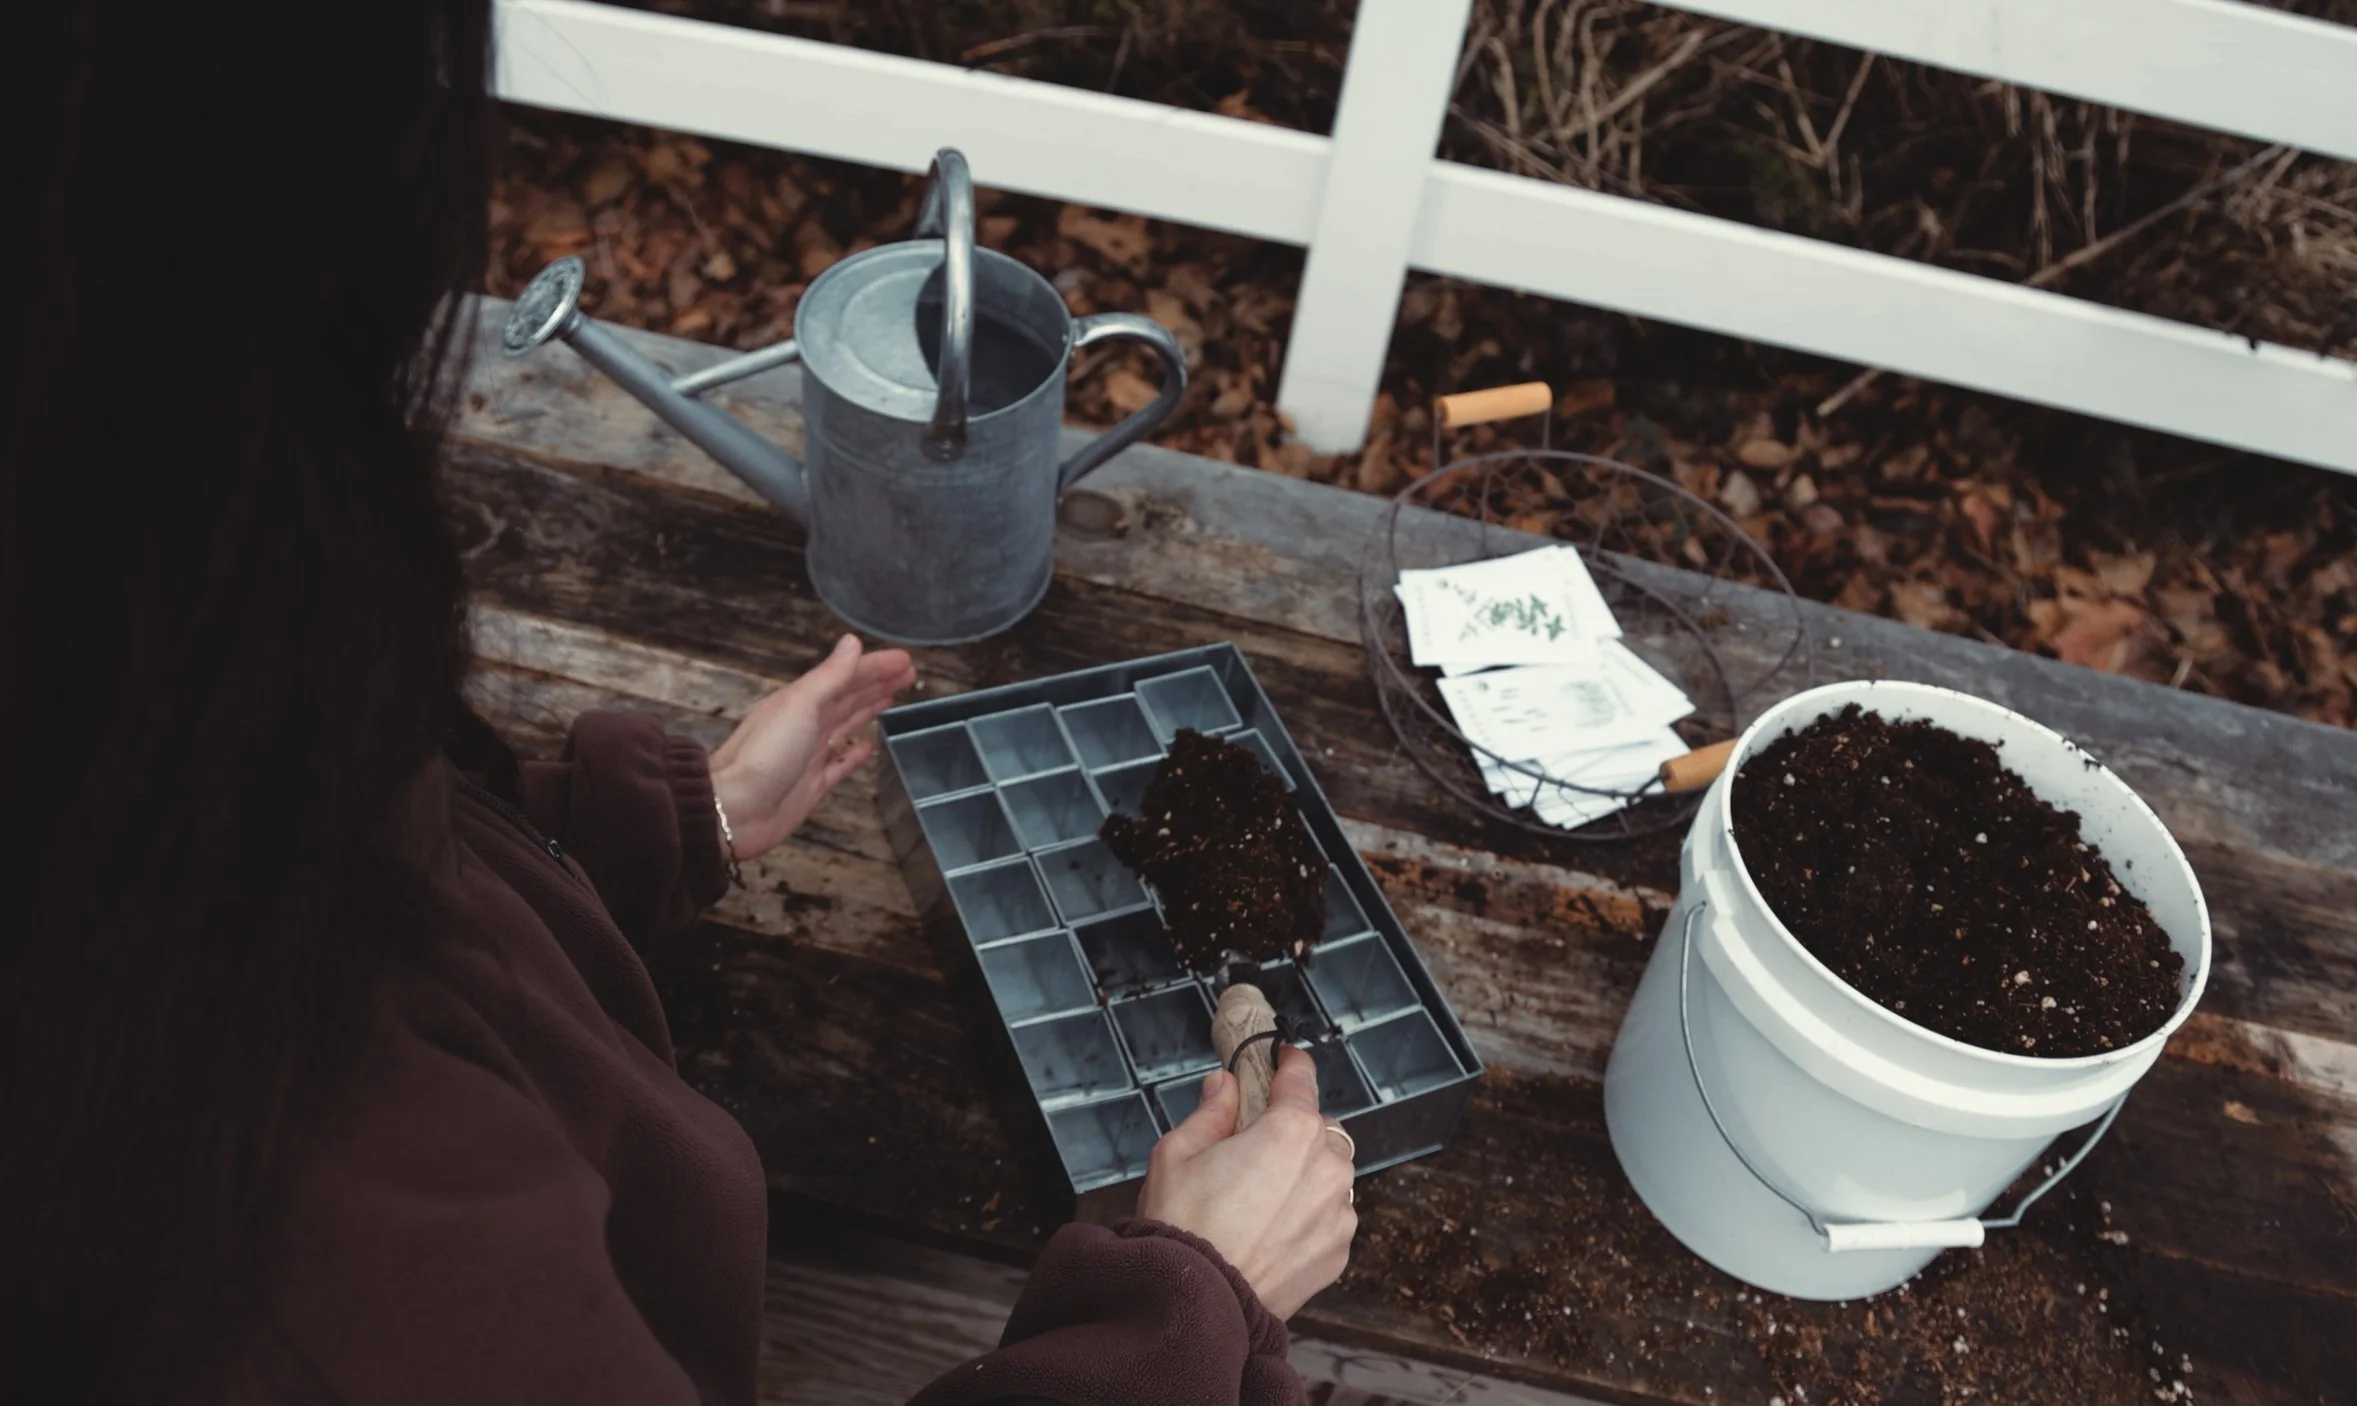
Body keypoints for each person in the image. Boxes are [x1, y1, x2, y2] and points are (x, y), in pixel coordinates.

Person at [0, 2, 1356, 1402]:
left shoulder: (110, 658)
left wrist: (619, 826)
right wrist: (1192, 1307)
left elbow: (279, 840)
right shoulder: (348, 1260)